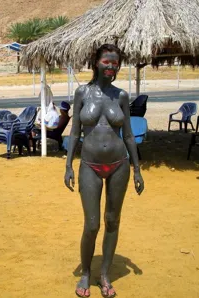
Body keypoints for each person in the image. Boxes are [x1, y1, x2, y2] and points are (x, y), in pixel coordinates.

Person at [64, 44, 144, 298]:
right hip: (90, 164)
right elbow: (75, 132)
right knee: (92, 224)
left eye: (115, 63)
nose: (112, 67)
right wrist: (68, 166)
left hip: (119, 164)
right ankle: (86, 272)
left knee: (112, 221)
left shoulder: (120, 96)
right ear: (96, 62)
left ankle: (105, 274)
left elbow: (129, 135)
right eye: (107, 62)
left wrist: (138, 169)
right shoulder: (82, 93)